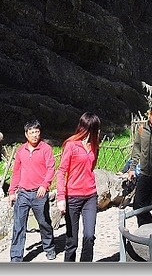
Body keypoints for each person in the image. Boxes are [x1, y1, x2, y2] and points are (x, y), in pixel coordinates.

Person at [8, 119, 56, 263]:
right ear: (26, 134)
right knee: (18, 226)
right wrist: (11, 192)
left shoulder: (46, 149)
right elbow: (16, 172)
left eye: (37, 132)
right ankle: (16, 257)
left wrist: (44, 185)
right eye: (31, 132)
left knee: (44, 223)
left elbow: (51, 169)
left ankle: (49, 247)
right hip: (22, 193)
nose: (35, 135)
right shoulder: (20, 150)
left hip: (39, 193)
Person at [57, 112, 100, 262]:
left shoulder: (95, 145)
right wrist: (61, 197)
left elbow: (91, 167)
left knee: (89, 236)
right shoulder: (71, 145)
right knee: (72, 241)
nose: (92, 133)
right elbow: (62, 171)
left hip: (90, 195)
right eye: (90, 129)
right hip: (72, 197)